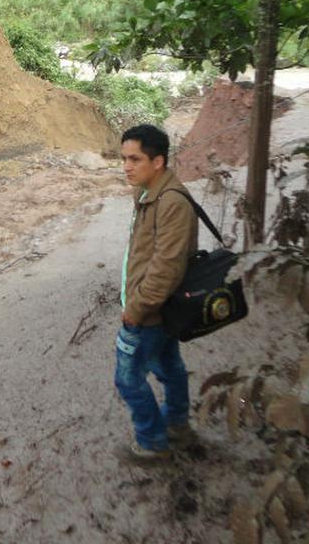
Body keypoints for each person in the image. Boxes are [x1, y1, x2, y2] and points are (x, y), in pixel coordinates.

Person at [115, 124, 198, 463]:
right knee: (170, 366)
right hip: (159, 310)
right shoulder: (148, 192)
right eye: (123, 159)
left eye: (135, 159)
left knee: (128, 378)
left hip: (150, 312)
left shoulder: (172, 203)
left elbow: (166, 266)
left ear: (159, 161)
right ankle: (177, 425)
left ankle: (152, 442)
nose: (126, 166)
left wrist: (136, 307)